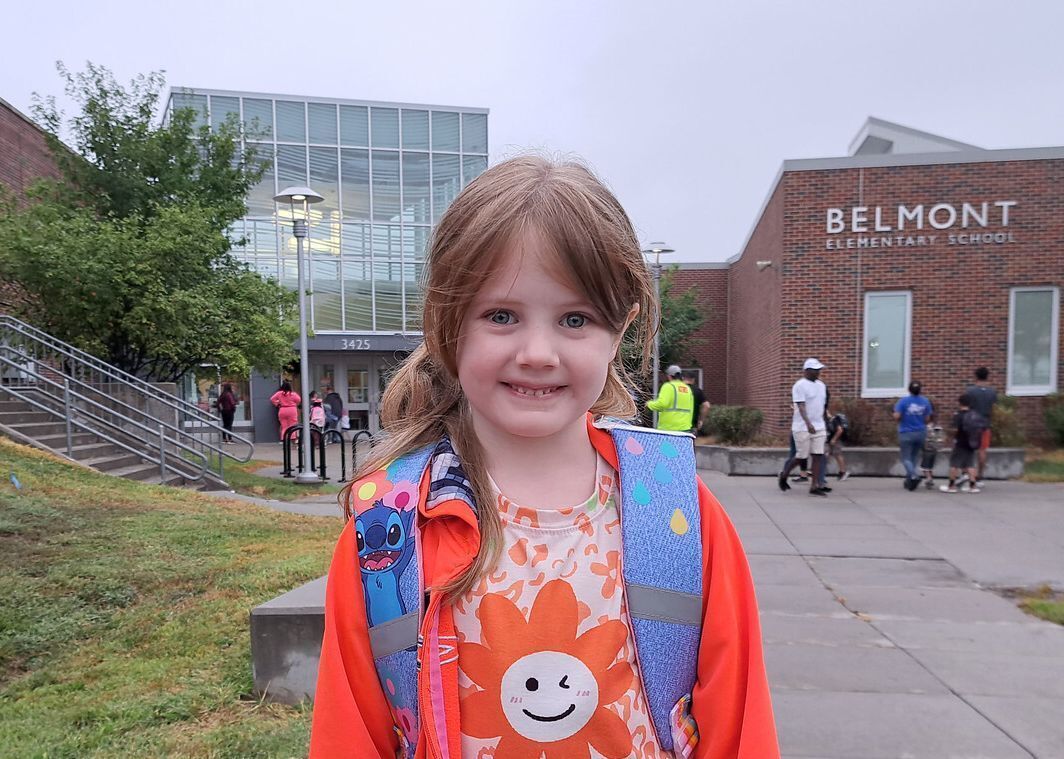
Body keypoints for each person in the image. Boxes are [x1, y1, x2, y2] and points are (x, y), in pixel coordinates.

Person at [310, 156, 779, 758]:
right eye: (501, 315)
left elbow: (740, 730)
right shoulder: (389, 531)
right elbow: (348, 737)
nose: (538, 352)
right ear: (449, 323)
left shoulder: (681, 516)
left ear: (622, 328)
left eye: (575, 319)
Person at [778, 358, 829, 497]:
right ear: (807, 371)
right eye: (815, 370)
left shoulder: (821, 385)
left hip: (819, 425)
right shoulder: (800, 385)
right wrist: (808, 423)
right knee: (801, 456)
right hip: (802, 426)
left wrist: (825, 423)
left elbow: (823, 406)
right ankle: (784, 475)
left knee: (818, 455)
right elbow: (801, 406)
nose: (818, 372)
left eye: (819, 370)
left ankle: (815, 485)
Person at [940, 394, 985, 494]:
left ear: (959, 403)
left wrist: (948, 436)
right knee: (970, 464)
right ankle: (973, 486)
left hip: (960, 442)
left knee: (954, 464)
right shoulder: (975, 415)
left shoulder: (958, 415)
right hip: (971, 442)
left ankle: (951, 486)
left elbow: (954, 430)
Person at [892, 381, 933, 491]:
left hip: (906, 432)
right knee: (914, 457)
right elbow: (927, 419)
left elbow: (897, 416)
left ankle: (913, 475)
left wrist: (899, 417)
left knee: (906, 457)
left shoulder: (903, 402)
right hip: (920, 432)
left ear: (909, 390)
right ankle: (909, 480)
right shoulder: (925, 401)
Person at [965, 366, 998, 486]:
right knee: (982, 450)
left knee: (968, 449)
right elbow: (994, 408)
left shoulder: (970, 391)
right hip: (985, 423)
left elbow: (966, 407)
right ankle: (980, 475)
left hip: (971, 423)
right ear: (987, 376)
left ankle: (967, 474)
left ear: (976, 376)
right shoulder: (992, 392)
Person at [646, 364, 696, 432]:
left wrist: (649, 404)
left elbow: (662, 404)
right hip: (685, 428)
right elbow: (691, 408)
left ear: (669, 376)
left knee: (666, 443)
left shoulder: (668, 386)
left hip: (669, 428)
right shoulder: (687, 388)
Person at [683, 369, 711, 435]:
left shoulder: (678, 390)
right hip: (692, 425)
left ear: (683, 378)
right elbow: (707, 405)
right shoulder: (698, 391)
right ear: (693, 379)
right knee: (689, 444)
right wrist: (701, 420)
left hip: (677, 424)